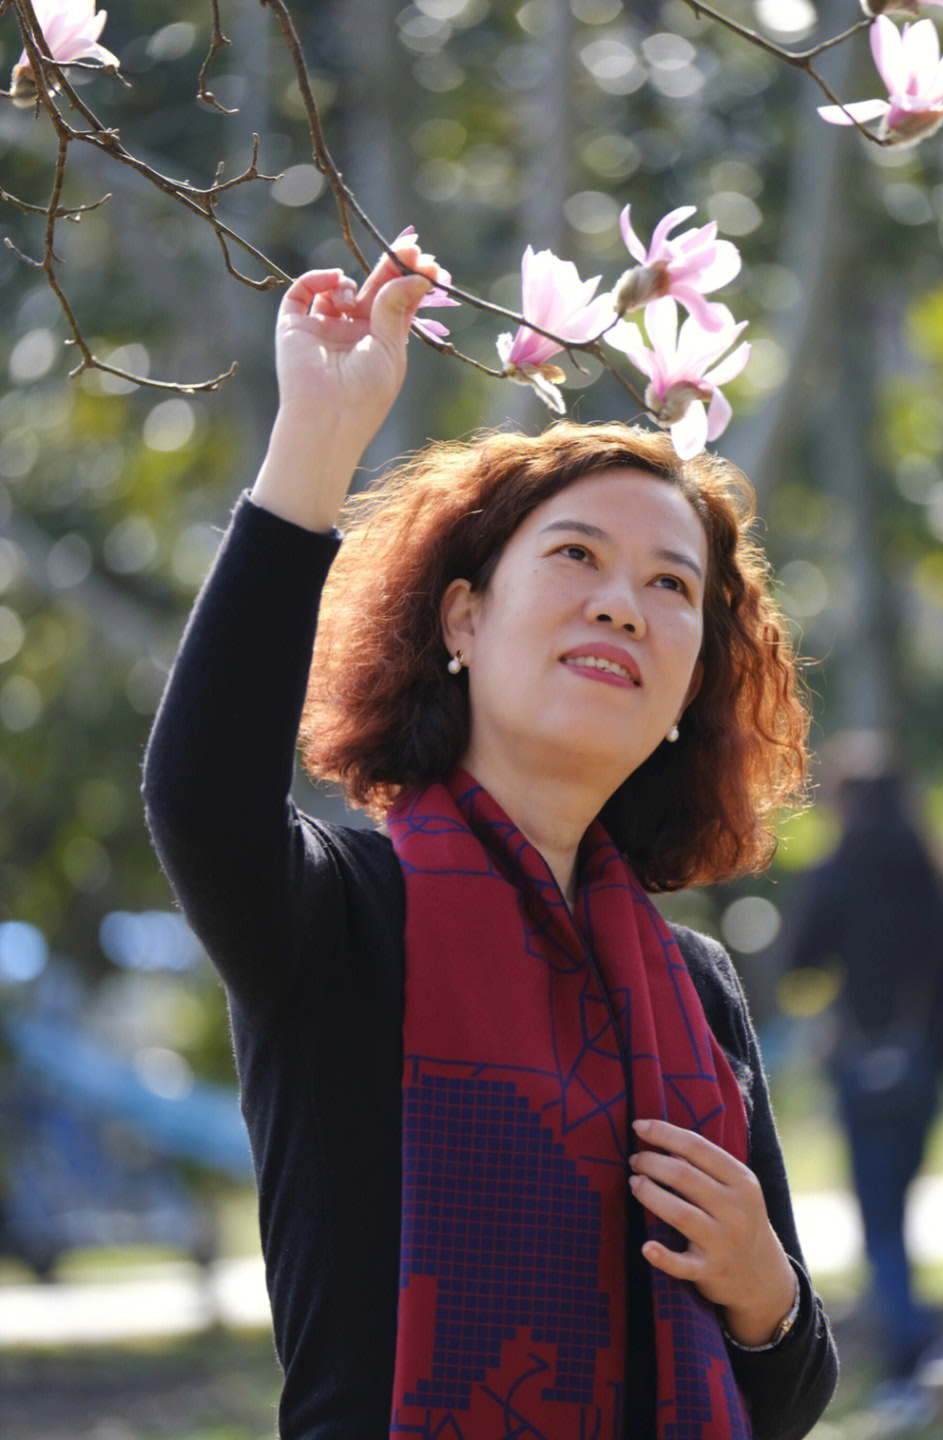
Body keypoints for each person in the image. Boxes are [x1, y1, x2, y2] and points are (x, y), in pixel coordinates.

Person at [142, 241, 838, 1439]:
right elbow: (202, 801)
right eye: (576, 556)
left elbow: (786, 1397)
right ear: (463, 615)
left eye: (673, 587)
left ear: (685, 696)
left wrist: (769, 1295)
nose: (624, 600)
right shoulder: (343, 917)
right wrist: (318, 436)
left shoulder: (699, 992)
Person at [783, 735, 943, 1382]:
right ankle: (913, 1337)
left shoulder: (837, 869)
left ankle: (911, 1350)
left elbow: (799, 962)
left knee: (878, 1221)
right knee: (896, 1211)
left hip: (863, 1069)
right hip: (921, 1066)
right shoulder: (930, 870)